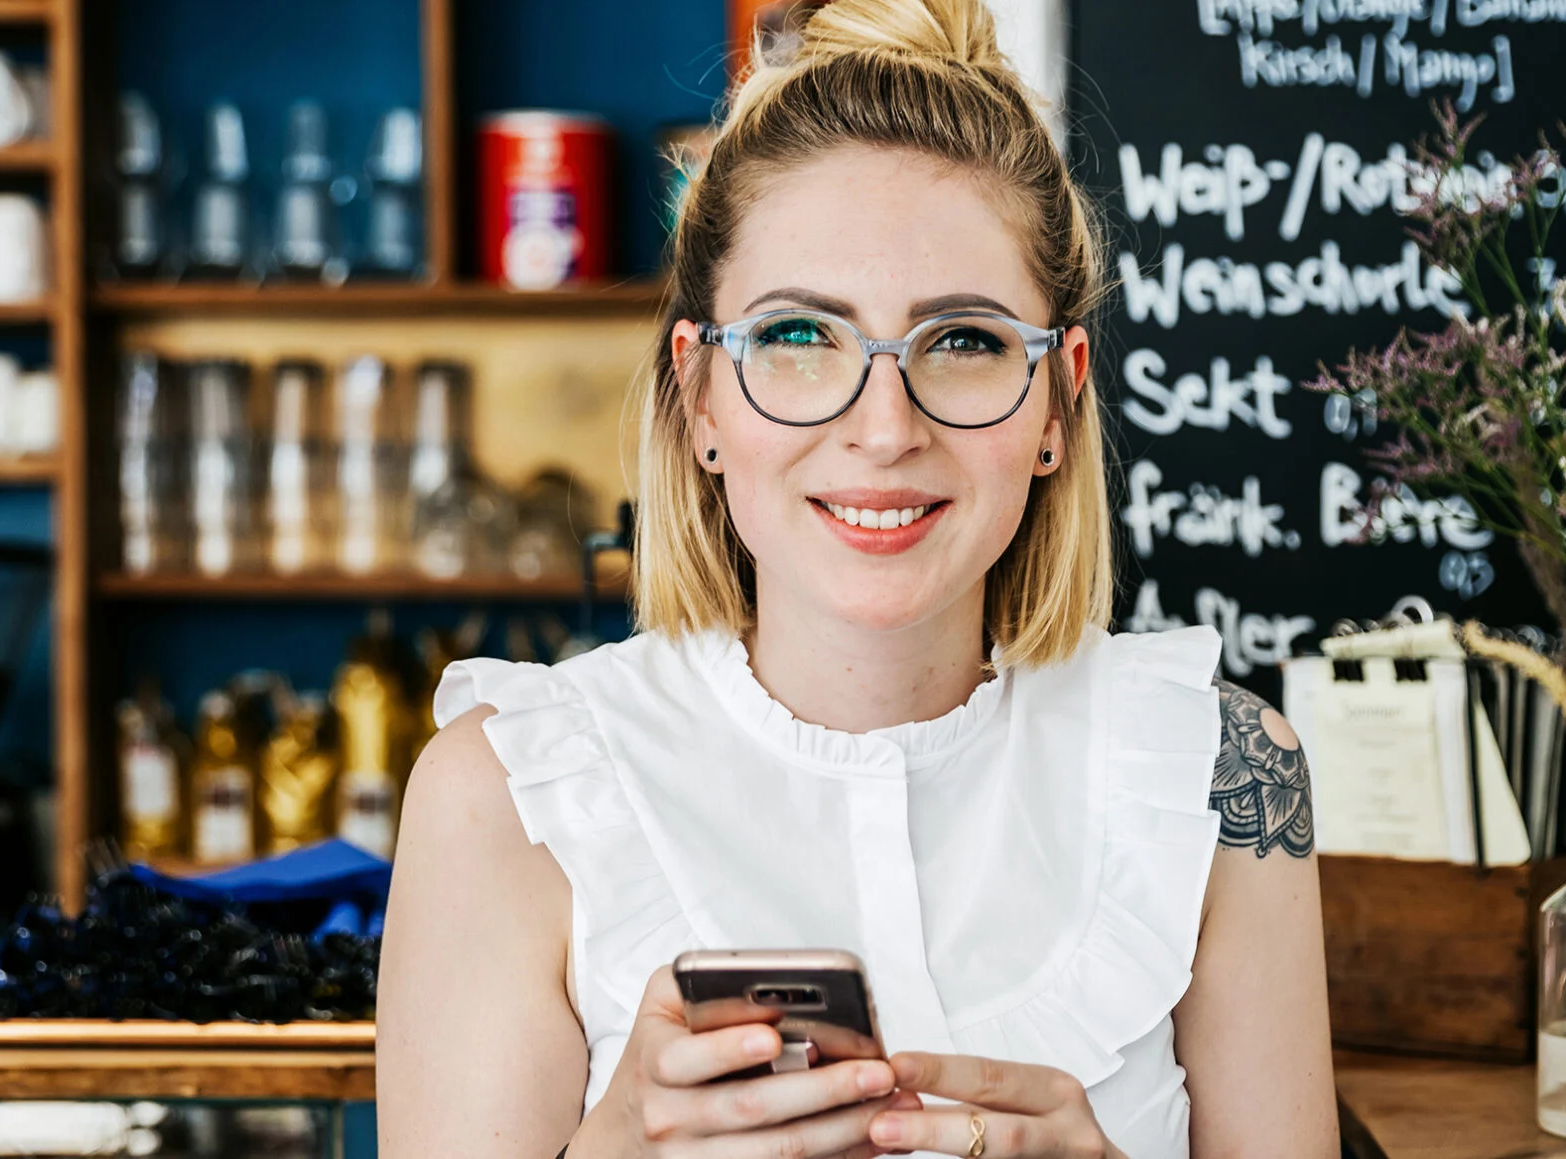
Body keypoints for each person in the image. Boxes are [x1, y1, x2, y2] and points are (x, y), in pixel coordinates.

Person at [377, 0, 1335, 1153]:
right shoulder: (505, 796)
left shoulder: (1221, 775)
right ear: (700, 397)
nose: (883, 430)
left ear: (1058, 400)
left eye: (965, 340)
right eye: (798, 337)